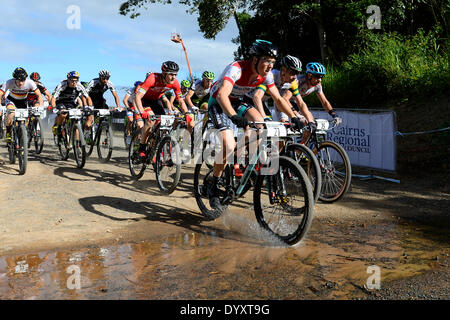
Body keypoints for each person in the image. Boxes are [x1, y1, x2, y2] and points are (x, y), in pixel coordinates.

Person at [206, 40, 305, 212]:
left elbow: (279, 99)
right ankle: (212, 184)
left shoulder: (267, 76)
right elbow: (222, 94)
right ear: (254, 59)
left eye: (272, 62)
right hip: (219, 102)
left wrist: (293, 116)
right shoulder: (236, 68)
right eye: (266, 60)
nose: (269, 66)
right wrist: (234, 116)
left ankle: (245, 164)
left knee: (261, 126)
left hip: (238, 101)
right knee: (228, 144)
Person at [133, 61, 193, 160]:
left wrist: (186, 113)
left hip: (156, 101)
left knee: (164, 124)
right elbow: (138, 96)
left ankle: (154, 147)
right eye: (171, 74)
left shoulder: (175, 83)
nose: (174, 77)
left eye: (175, 74)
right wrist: (142, 111)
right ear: (164, 73)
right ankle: (142, 148)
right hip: (145, 101)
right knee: (151, 120)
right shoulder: (152, 78)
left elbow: (181, 101)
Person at [248, 55, 315, 128]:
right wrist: (264, 117)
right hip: (249, 100)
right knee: (262, 126)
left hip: (262, 102)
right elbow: (256, 97)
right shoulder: (271, 77)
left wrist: (310, 121)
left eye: (297, 73)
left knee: (277, 129)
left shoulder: (293, 83)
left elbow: (301, 103)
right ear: (284, 70)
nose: (295, 77)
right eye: (293, 72)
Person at [0, 67, 43, 142]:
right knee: (11, 113)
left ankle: (20, 139)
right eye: (18, 80)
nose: (21, 83)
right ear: (14, 79)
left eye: (23, 80)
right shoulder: (9, 82)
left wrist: (41, 106)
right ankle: (8, 132)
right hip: (11, 100)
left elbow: (39, 95)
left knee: (23, 122)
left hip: (23, 101)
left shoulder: (30, 83)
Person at [51, 71, 92, 136]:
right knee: (63, 114)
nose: (74, 82)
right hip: (60, 102)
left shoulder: (79, 85)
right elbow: (53, 98)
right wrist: (54, 108)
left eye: (76, 80)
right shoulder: (62, 85)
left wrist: (90, 107)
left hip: (71, 103)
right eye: (72, 80)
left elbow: (87, 97)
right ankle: (58, 127)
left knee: (77, 118)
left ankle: (77, 143)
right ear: (68, 80)